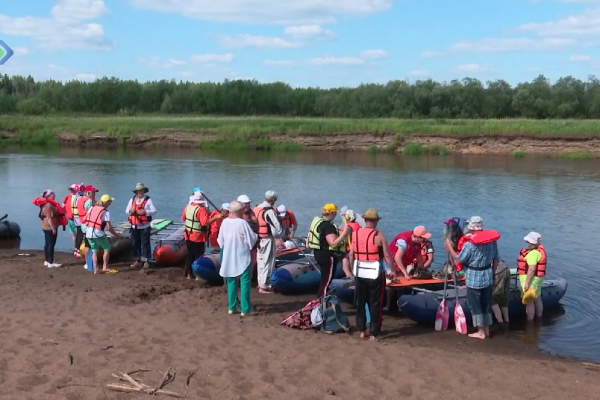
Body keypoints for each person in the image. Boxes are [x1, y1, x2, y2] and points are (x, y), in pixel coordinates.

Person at [348, 209, 396, 340]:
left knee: (360, 302)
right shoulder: (379, 235)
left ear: (364, 220)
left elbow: (351, 254)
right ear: (375, 221)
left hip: (360, 272)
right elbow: (387, 254)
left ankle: (362, 331)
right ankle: (374, 333)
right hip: (376, 274)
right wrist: (393, 270)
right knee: (376, 304)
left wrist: (353, 269)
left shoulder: (356, 234)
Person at [453, 216, 500, 339]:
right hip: (488, 275)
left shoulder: (470, 244)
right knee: (486, 304)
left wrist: (449, 248)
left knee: (476, 305)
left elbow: (460, 259)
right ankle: (487, 330)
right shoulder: (492, 241)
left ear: (471, 227)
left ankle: (481, 332)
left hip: (474, 277)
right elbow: (496, 259)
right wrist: (493, 273)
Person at [218, 201, 258, 316]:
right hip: (242, 256)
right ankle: (245, 309)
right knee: (245, 282)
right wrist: (256, 236)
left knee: (231, 281)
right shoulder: (243, 223)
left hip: (228, 255)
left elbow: (220, 241)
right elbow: (251, 239)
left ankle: (231, 307)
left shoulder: (225, 222)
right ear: (240, 211)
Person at [307, 203, 351, 297]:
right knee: (326, 282)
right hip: (327, 256)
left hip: (318, 253)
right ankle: (321, 303)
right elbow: (333, 243)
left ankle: (320, 301)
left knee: (324, 280)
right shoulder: (328, 226)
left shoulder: (317, 221)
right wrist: (344, 233)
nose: (335, 215)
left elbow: (309, 235)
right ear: (330, 213)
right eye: (335, 213)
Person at [253, 191, 283, 294]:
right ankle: (264, 286)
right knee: (268, 261)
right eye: (275, 199)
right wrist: (282, 234)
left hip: (258, 239)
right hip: (267, 239)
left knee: (260, 260)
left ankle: (260, 283)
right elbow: (277, 229)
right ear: (272, 200)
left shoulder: (256, 208)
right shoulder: (269, 211)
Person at [85, 194, 121, 274]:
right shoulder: (105, 212)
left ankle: (95, 269)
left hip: (88, 233)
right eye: (110, 202)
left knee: (94, 250)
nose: (110, 203)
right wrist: (116, 235)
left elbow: (85, 219)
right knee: (107, 248)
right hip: (98, 233)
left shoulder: (91, 208)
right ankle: (105, 267)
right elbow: (109, 228)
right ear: (107, 202)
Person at [33, 189, 68, 268]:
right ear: (49, 196)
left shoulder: (45, 204)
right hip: (49, 227)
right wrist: (53, 228)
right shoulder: (49, 205)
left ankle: (47, 260)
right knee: (51, 244)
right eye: (53, 194)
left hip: (45, 226)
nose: (54, 195)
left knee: (47, 243)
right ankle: (51, 262)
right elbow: (49, 218)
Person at [126, 183, 157, 269]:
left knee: (145, 244)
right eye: (139, 191)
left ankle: (146, 260)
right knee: (135, 244)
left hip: (144, 226)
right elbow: (126, 210)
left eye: (142, 190)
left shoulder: (148, 200)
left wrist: (146, 212)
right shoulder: (132, 200)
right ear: (136, 192)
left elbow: (154, 211)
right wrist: (130, 210)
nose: (140, 192)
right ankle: (138, 260)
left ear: (144, 191)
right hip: (134, 226)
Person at [517, 232, 546, 321]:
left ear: (532, 242)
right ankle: (539, 318)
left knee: (529, 301)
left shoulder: (533, 253)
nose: (527, 243)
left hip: (532, 280)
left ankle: (530, 321)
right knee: (537, 297)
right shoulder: (539, 251)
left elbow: (532, 269)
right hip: (538, 279)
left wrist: (526, 283)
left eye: (528, 241)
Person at [181, 191, 210, 279]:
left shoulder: (187, 206)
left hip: (188, 234)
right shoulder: (201, 209)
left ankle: (189, 273)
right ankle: (198, 275)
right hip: (198, 236)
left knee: (190, 254)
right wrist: (215, 218)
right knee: (198, 255)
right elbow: (205, 223)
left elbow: (183, 218)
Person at [78, 185, 99, 270]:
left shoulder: (80, 199)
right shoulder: (89, 201)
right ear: (88, 192)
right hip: (88, 225)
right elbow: (91, 212)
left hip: (83, 224)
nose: (94, 194)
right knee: (90, 245)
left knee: (87, 244)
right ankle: (90, 264)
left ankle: (87, 263)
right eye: (93, 192)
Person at [341, 209, 362, 277]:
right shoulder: (359, 226)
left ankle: (352, 281)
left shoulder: (345, 227)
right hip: (358, 250)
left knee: (345, 268)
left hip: (349, 251)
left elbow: (343, 240)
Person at [491, 258, 511, 331]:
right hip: (505, 268)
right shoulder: (491, 248)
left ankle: (500, 323)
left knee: (493, 297)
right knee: (504, 295)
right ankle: (507, 321)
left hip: (498, 272)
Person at [62, 183, 81, 254]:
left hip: (79, 218)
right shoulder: (68, 196)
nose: (72, 191)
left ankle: (79, 249)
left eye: (73, 189)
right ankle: (76, 248)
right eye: (71, 190)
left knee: (80, 234)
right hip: (70, 218)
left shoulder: (80, 197)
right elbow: (63, 205)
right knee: (74, 234)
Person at [71, 184, 86, 258]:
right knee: (81, 233)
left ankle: (76, 249)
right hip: (79, 217)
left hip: (75, 217)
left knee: (79, 233)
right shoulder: (81, 198)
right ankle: (78, 250)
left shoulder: (74, 197)